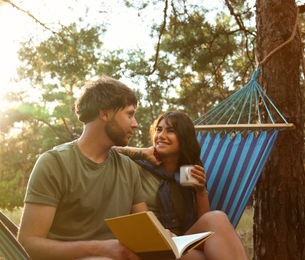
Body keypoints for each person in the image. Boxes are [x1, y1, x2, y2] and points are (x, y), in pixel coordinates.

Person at [17, 76, 148, 260]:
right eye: (129, 114)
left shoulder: (128, 168)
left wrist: (167, 239)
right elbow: (28, 244)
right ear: (105, 114)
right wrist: (98, 249)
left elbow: (146, 229)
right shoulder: (54, 164)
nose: (135, 124)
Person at [115, 111, 248, 260]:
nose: (161, 135)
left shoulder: (186, 174)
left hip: (179, 241)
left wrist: (201, 191)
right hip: (150, 244)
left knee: (217, 219)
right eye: (158, 130)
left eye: (170, 131)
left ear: (184, 138)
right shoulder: (137, 167)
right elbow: (109, 151)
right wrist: (143, 152)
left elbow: (205, 229)